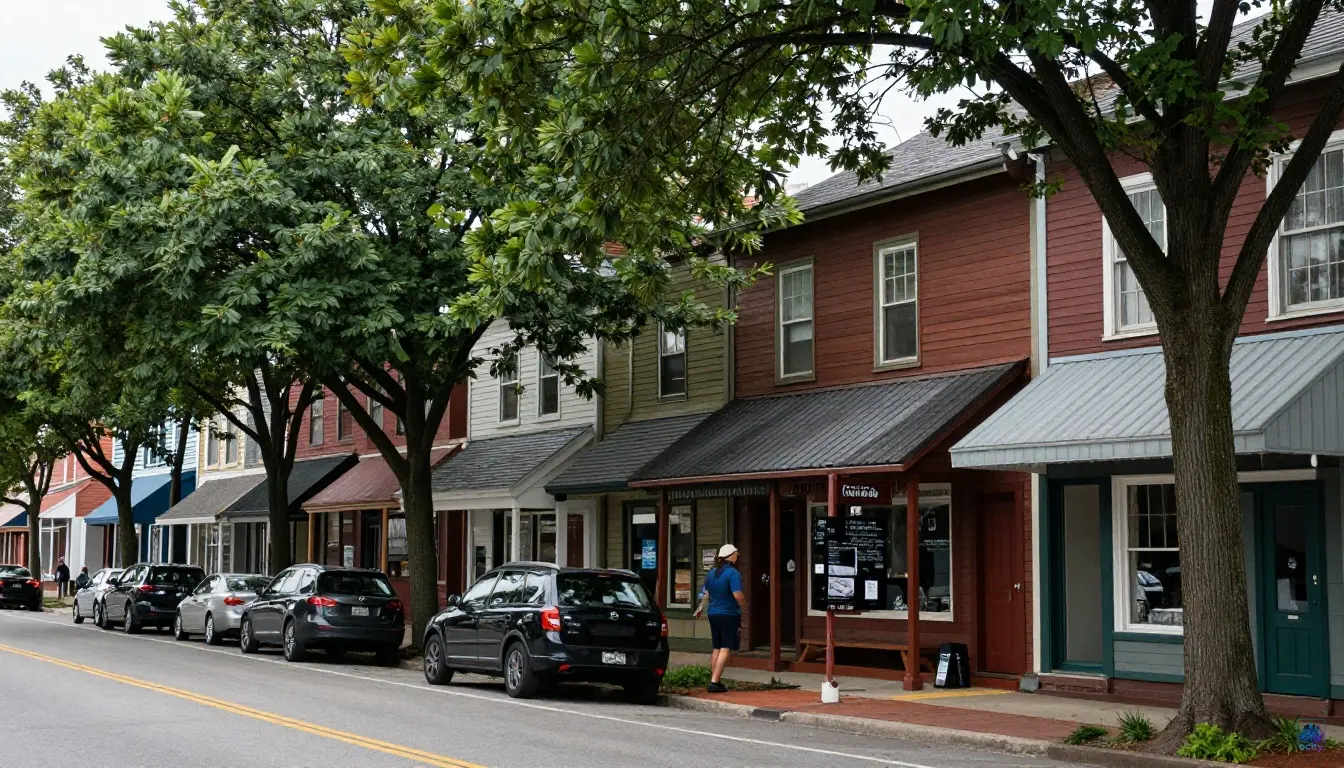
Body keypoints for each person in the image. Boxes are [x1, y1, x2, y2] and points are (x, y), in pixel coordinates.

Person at [693, 543, 747, 693]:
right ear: (731, 555)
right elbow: (737, 594)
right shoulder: (733, 573)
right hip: (728, 614)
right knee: (726, 647)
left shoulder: (711, 573)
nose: (737, 556)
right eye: (736, 554)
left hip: (713, 613)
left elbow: (706, 594)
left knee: (716, 647)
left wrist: (699, 609)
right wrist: (744, 606)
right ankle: (715, 682)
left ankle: (714, 679)